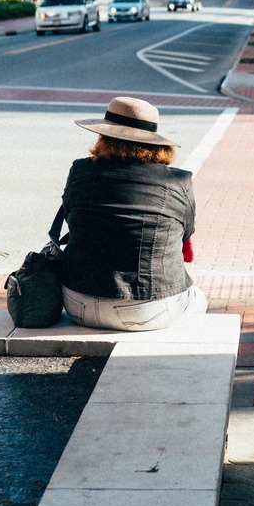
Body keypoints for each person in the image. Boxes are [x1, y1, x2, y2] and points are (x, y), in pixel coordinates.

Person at [54, 96, 206, 331]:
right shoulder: (178, 180)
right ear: (155, 142)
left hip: (78, 302)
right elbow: (185, 234)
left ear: (103, 136)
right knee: (198, 298)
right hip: (149, 308)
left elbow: (71, 216)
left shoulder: (80, 170)